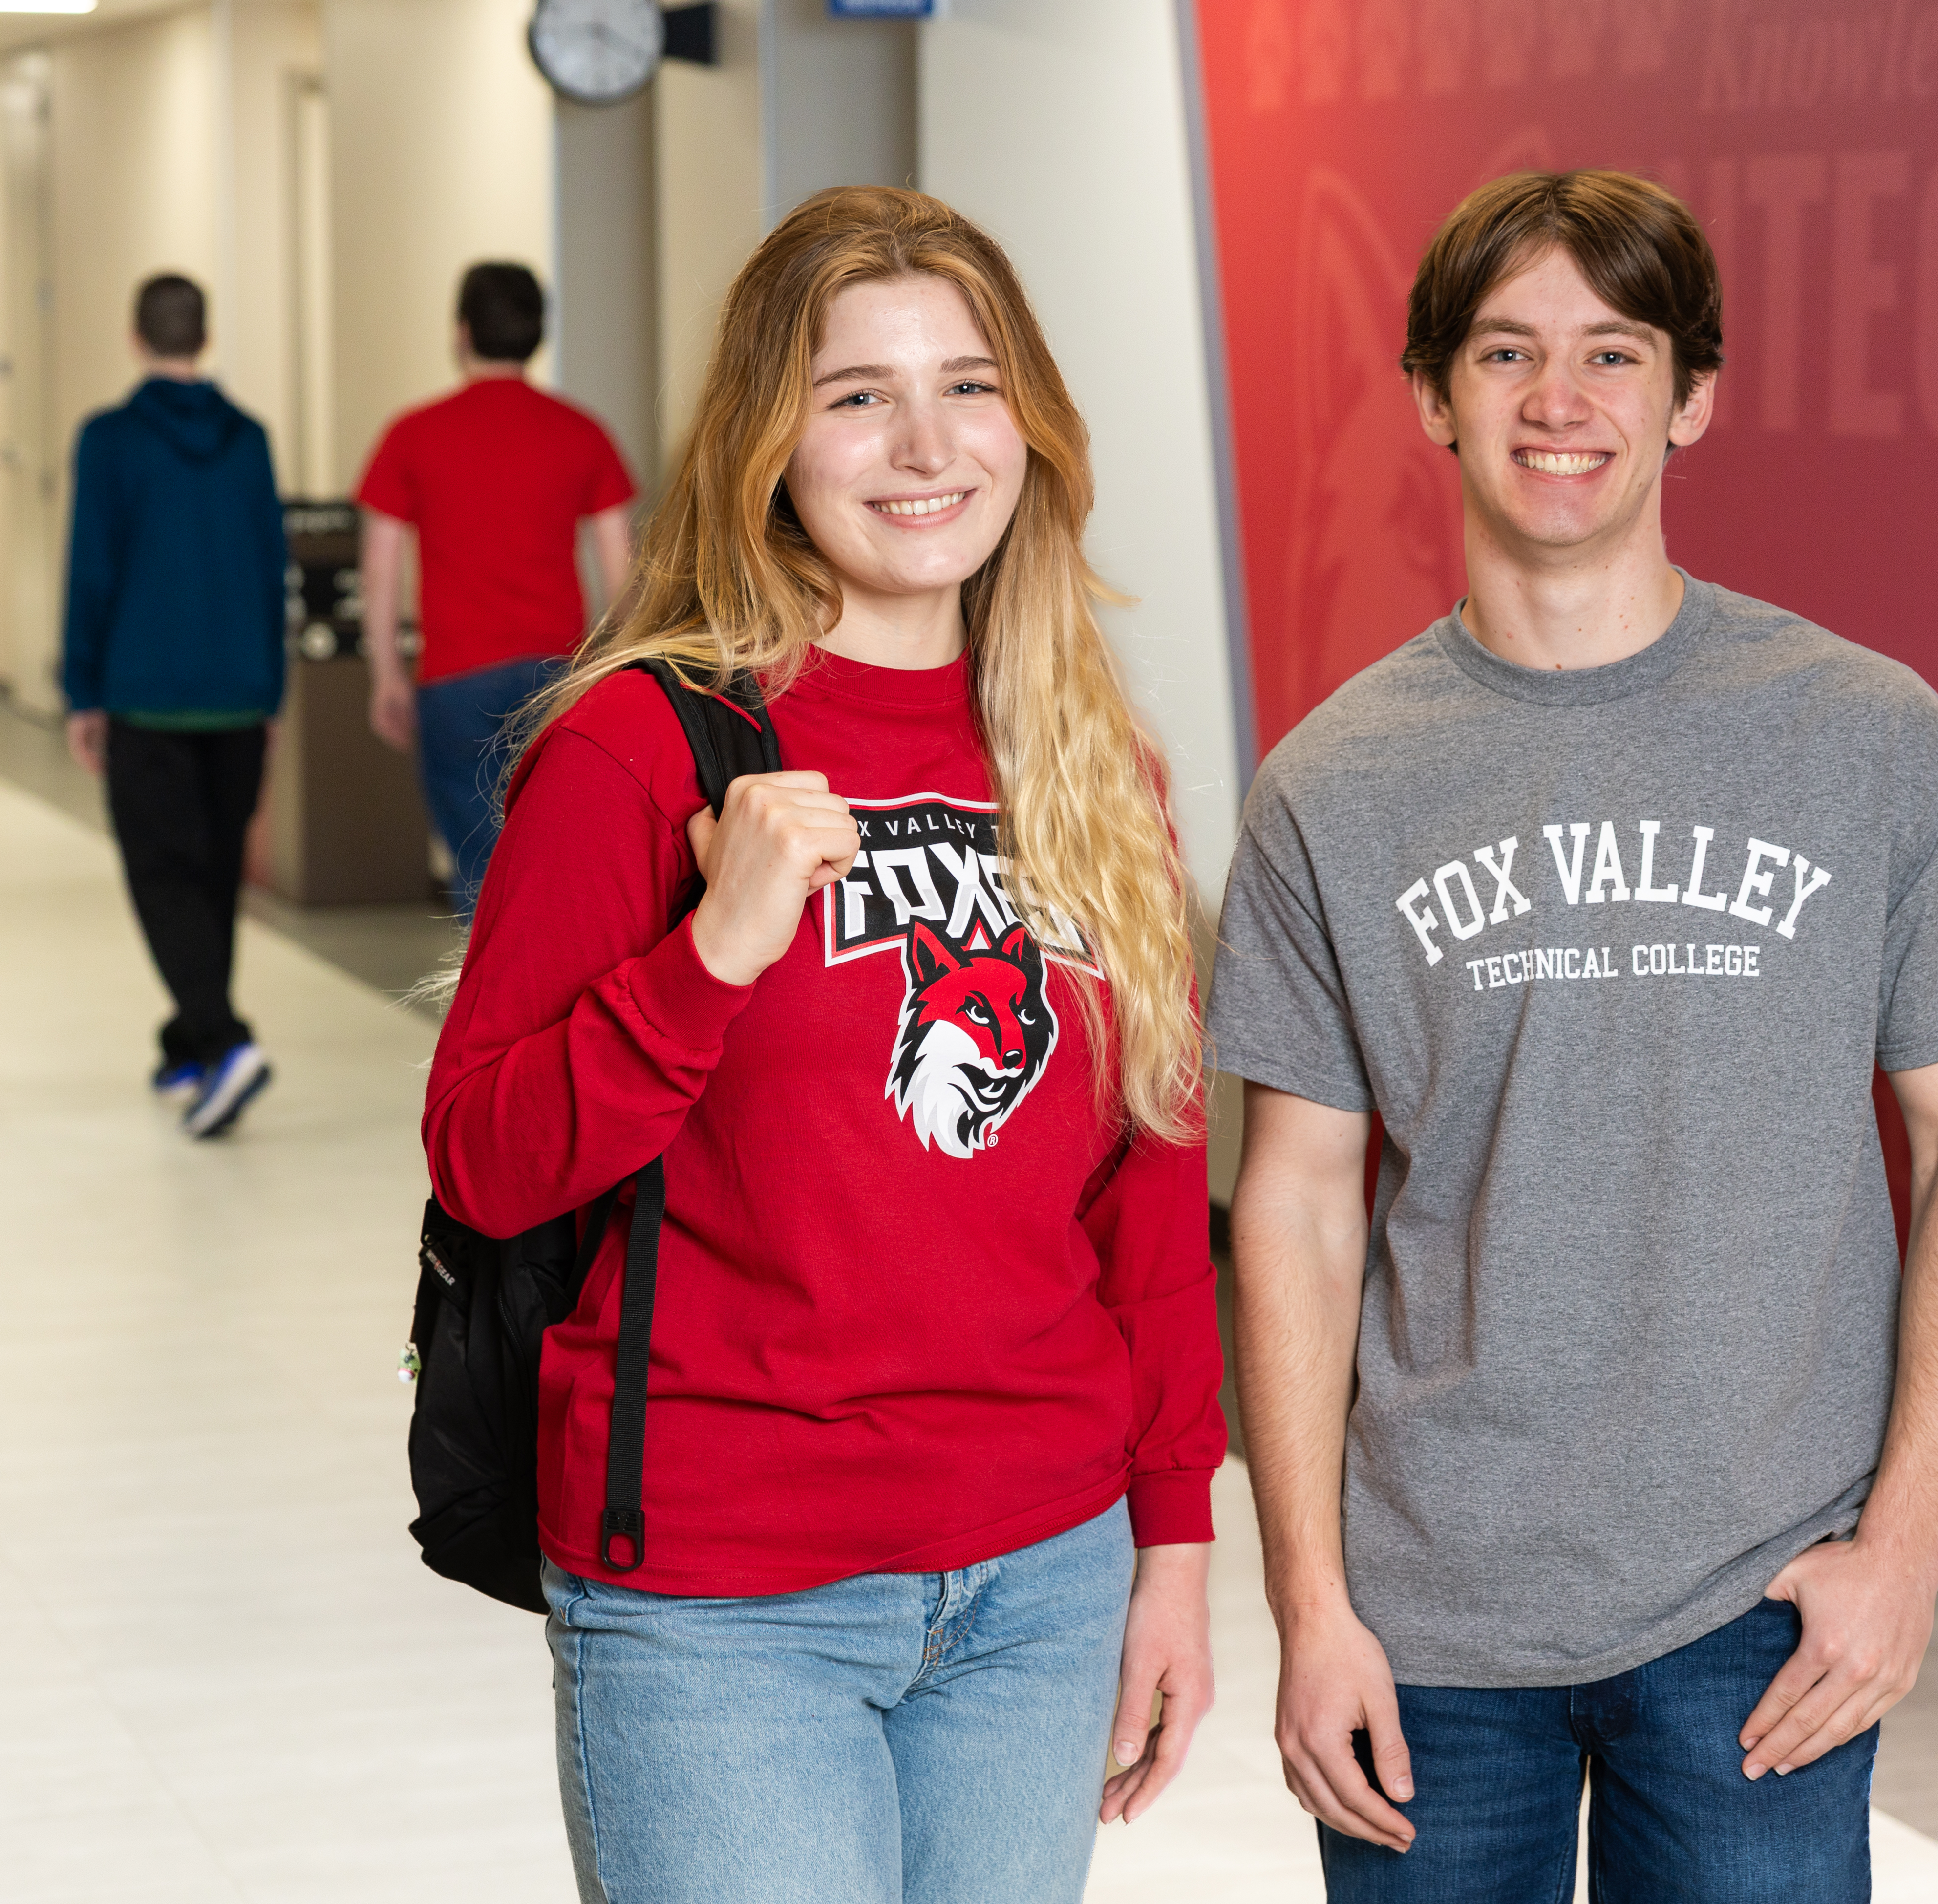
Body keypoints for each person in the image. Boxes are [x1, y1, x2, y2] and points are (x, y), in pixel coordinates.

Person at [1211, 170, 1938, 1901]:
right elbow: (1293, 1204)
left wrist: (1902, 1549)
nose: (1559, 402)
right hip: (1430, 1613)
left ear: (1690, 396)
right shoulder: (1333, 779)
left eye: (1612, 354)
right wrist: (1307, 1604)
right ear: (1426, 394)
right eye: (1506, 352)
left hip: (1757, 1602)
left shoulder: (1860, 735)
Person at [423, 187, 1224, 1904]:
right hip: (724, 1590)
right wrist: (710, 954)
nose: (923, 442)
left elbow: (1149, 1201)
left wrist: (1170, 1542)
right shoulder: (643, 747)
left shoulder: (1093, 768)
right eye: (856, 392)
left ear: (1035, 428)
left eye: (971, 384)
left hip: (1039, 1566)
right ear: (768, 438)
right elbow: (486, 1152)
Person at [61, 272, 290, 1139]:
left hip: (146, 698)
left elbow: (93, 569)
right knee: (212, 877)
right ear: (205, 337)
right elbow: (270, 571)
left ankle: (227, 1040)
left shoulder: (111, 440)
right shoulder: (251, 440)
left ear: (135, 337)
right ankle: (190, 1043)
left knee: (162, 879)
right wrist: (269, 693)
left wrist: (82, 689)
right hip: (237, 695)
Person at [355, 261, 637, 919]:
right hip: (560, 677)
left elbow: (380, 569)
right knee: (559, 861)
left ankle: (491, 1010)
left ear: (461, 333)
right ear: (538, 331)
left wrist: (386, 674)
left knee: (479, 871)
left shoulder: (412, 434)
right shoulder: (582, 432)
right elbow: (620, 574)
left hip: (454, 679)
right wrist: (612, 673)